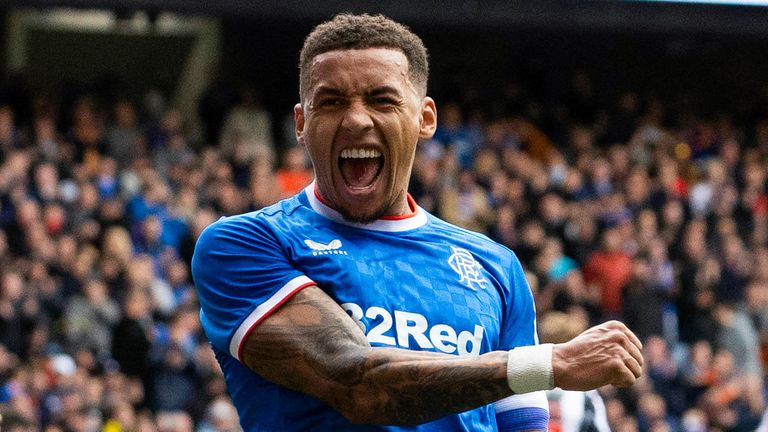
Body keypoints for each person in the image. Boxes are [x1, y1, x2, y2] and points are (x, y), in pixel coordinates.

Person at [192, 13, 643, 431]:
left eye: (381, 99)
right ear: (301, 122)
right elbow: (356, 382)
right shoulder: (247, 243)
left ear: (425, 119)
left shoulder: (495, 267)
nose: (354, 119)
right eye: (329, 102)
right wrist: (549, 364)